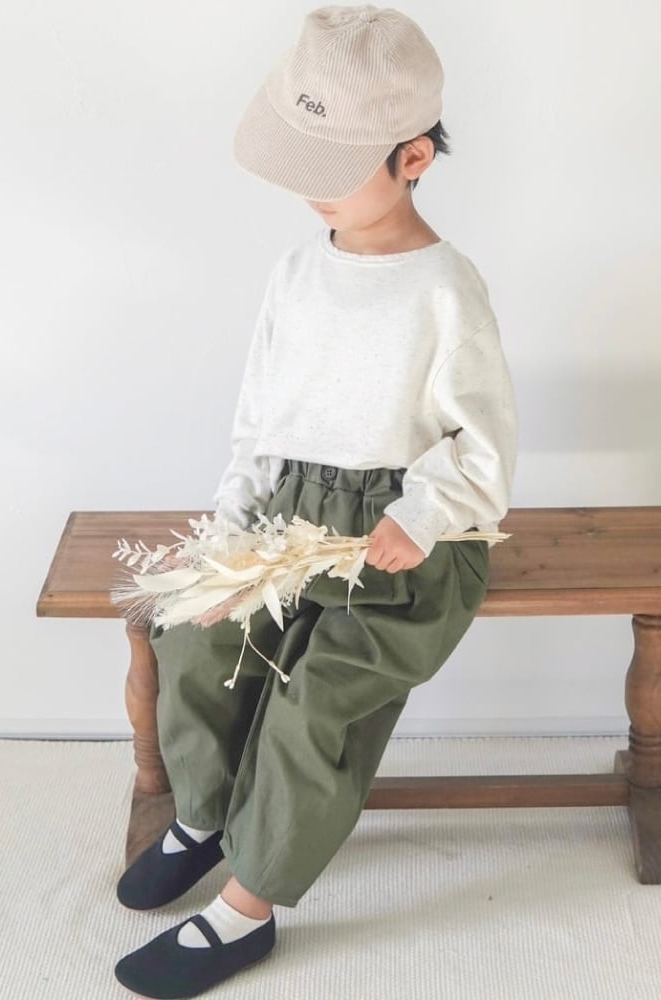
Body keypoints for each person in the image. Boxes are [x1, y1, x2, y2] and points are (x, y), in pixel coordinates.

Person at [113, 6, 518, 997]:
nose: (307, 192)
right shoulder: (297, 274)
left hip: (400, 544)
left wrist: (420, 514)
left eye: (329, 170)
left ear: (412, 157)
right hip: (283, 519)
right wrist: (227, 539)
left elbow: (481, 444)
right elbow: (259, 423)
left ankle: (247, 907)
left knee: (316, 702)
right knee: (198, 642)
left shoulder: (445, 290)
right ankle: (205, 816)